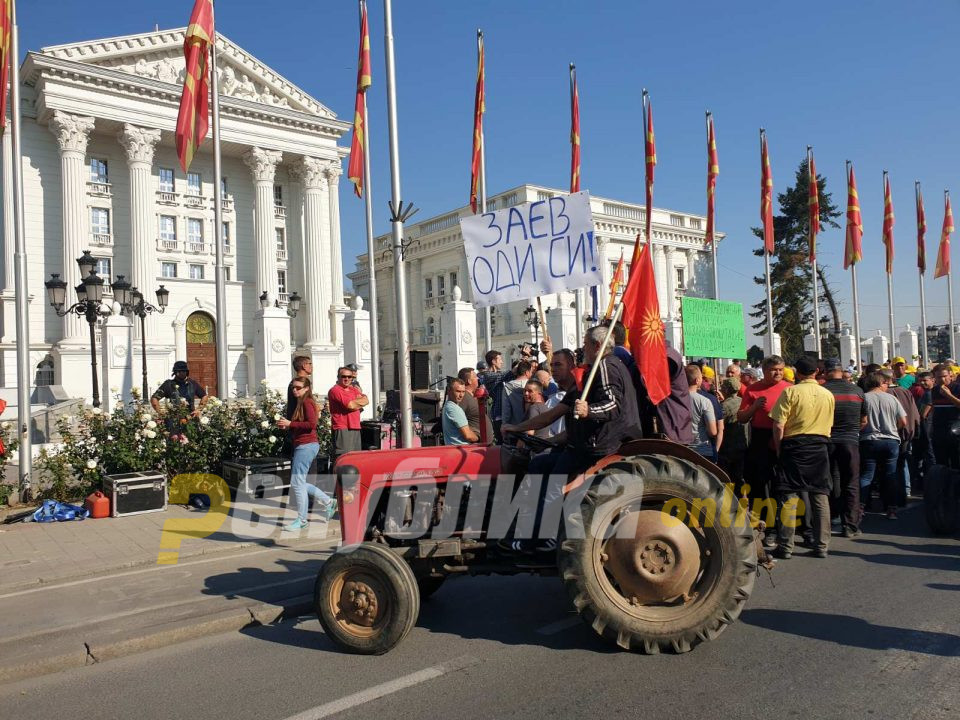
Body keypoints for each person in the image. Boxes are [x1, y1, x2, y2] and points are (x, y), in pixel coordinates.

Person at [769, 356, 835, 559]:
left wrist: (780, 449)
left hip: (794, 445)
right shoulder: (827, 394)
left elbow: (779, 424)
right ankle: (822, 545)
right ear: (816, 372)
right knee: (819, 495)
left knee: (789, 496)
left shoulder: (790, 391)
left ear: (797, 372)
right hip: (819, 445)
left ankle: (786, 546)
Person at [738, 355, 791, 534]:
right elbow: (741, 417)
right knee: (761, 483)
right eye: (773, 370)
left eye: (780, 369)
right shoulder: (753, 389)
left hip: (785, 437)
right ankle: (768, 526)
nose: (778, 373)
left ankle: (788, 525)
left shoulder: (790, 388)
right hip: (761, 438)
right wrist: (754, 407)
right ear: (764, 370)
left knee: (782, 483)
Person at [277, 377, 334, 531]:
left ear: (307, 388)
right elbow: (303, 425)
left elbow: (312, 424)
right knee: (300, 483)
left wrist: (290, 424)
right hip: (304, 445)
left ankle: (302, 520)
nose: (295, 390)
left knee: (297, 483)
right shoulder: (300, 403)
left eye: (298, 387)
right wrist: (289, 426)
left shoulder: (307, 402)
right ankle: (329, 502)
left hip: (306, 446)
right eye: (293, 388)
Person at [822, 358, 866, 537]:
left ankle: (830, 518)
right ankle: (850, 525)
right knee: (852, 482)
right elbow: (864, 421)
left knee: (831, 480)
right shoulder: (857, 391)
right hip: (850, 441)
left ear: (825, 372)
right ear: (841, 371)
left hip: (827, 440)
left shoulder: (822, 391)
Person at [859, 371, 907, 520]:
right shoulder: (892, 399)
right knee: (890, 475)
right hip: (890, 441)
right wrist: (894, 428)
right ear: (880, 383)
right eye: (886, 383)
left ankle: (860, 507)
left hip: (869, 439)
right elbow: (903, 421)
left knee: (867, 475)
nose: (888, 386)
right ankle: (891, 509)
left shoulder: (864, 398)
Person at [327, 366, 368, 463]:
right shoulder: (335, 390)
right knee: (344, 460)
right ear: (338, 377)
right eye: (344, 376)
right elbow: (350, 405)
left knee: (356, 459)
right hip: (342, 427)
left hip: (355, 426)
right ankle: (340, 479)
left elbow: (366, 400)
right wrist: (357, 402)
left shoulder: (353, 389)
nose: (347, 379)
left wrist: (355, 404)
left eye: (350, 377)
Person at [718, 376, 748, 492]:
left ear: (725, 390)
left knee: (727, 477)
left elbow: (719, 424)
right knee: (740, 476)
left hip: (728, 446)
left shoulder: (724, 406)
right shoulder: (743, 401)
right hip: (743, 443)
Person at [930, 363, 960, 467]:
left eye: (944, 376)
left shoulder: (957, 388)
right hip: (939, 432)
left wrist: (949, 396)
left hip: (955, 432)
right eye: (939, 377)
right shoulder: (934, 390)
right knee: (941, 463)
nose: (942, 379)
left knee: (956, 462)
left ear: (950, 375)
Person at [686, 365, 719, 460]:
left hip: (681, 448)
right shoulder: (705, 401)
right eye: (701, 378)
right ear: (697, 380)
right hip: (701, 449)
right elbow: (713, 431)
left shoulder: (674, 399)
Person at [456, 367, 493, 442]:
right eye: (476, 377)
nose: (478, 379)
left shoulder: (469, 396)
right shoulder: (464, 397)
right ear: (469, 381)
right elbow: (457, 418)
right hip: (477, 445)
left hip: (484, 444)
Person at [500, 360, 534, 441]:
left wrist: (505, 426)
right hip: (531, 427)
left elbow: (506, 410)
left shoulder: (507, 386)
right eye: (531, 372)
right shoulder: (533, 385)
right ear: (527, 372)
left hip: (514, 429)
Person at [441, 378, 478, 446]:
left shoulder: (448, 406)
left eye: (463, 392)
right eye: (458, 391)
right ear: (449, 391)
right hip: (461, 449)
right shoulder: (453, 408)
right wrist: (478, 438)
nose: (461, 395)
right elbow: (468, 436)